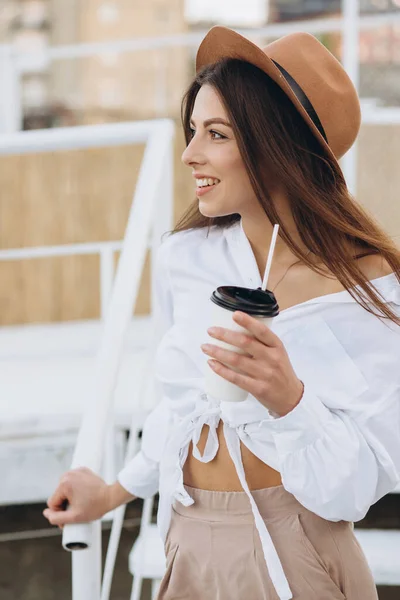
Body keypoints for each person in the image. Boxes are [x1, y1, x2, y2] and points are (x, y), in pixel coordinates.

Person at [43, 26, 400, 600]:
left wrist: (290, 400)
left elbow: (355, 488)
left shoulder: (370, 289)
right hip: (186, 545)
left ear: (276, 146)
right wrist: (113, 492)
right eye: (192, 132)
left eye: (216, 134)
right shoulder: (188, 257)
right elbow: (178, 406)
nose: (190, 155)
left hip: (297, 551)